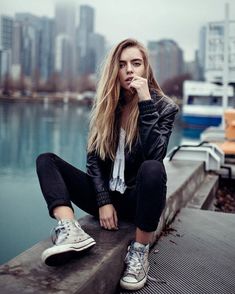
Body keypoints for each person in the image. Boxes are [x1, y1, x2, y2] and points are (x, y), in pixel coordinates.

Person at [36, 38, 179, 291]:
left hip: (138, 201)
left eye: (136, 63)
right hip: (107, 199)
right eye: (122, 65)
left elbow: (154, 155)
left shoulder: (164, 107)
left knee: (153, 169)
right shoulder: (106, 105)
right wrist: (103, 200)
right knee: (46, 160)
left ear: (146, 68)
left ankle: (140, 252)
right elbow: (93, 160)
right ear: (115, 70)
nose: (130, 70)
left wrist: (145, 102)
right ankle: (71, 229)